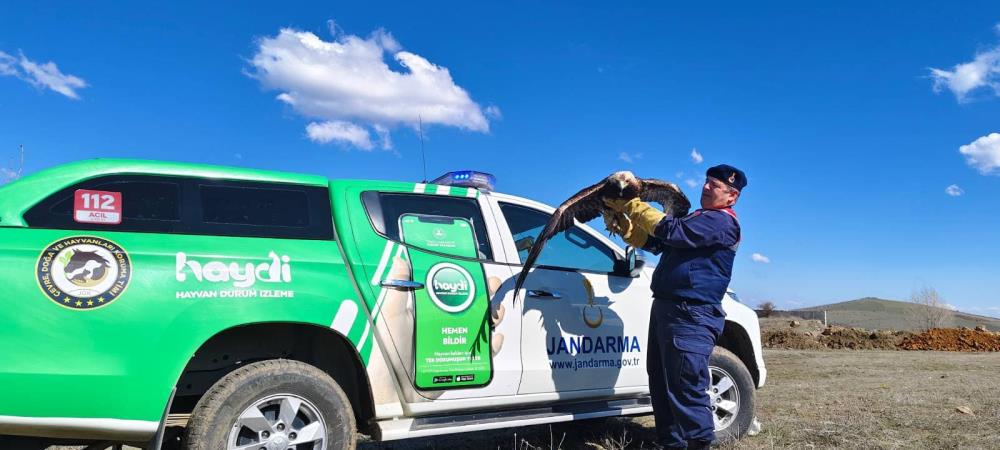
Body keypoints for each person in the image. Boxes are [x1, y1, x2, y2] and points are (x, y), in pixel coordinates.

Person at [604, 164, 746, 450]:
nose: (706, 187)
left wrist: (632, 205)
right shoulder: (698, 218)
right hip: (667, 308)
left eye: (715, 185)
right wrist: (628, 230)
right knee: (661, 382)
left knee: (685, 385)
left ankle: (698, 444)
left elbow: (672, 231)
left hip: (691, 314)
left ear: (732, 196)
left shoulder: (722, 222)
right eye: (706, 181)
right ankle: (672, 444)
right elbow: (661, 244)